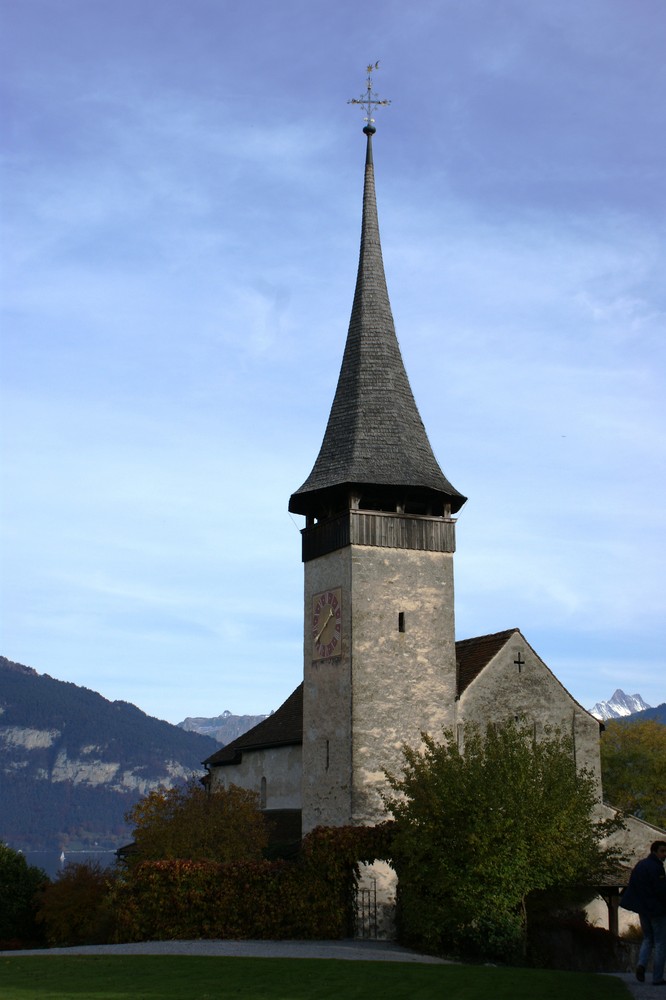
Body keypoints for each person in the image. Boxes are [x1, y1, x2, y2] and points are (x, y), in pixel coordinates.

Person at [621, 840, 666, 985]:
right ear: (655, 852)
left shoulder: (641, 865)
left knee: (647, 938)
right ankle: (657, 977)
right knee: (660, 943)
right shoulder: (657, 868)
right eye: (662, 851)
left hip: (643, 909)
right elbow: (660, 891)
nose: (664, 854)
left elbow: (633, 886)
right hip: (656, 910)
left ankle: (641, 964)